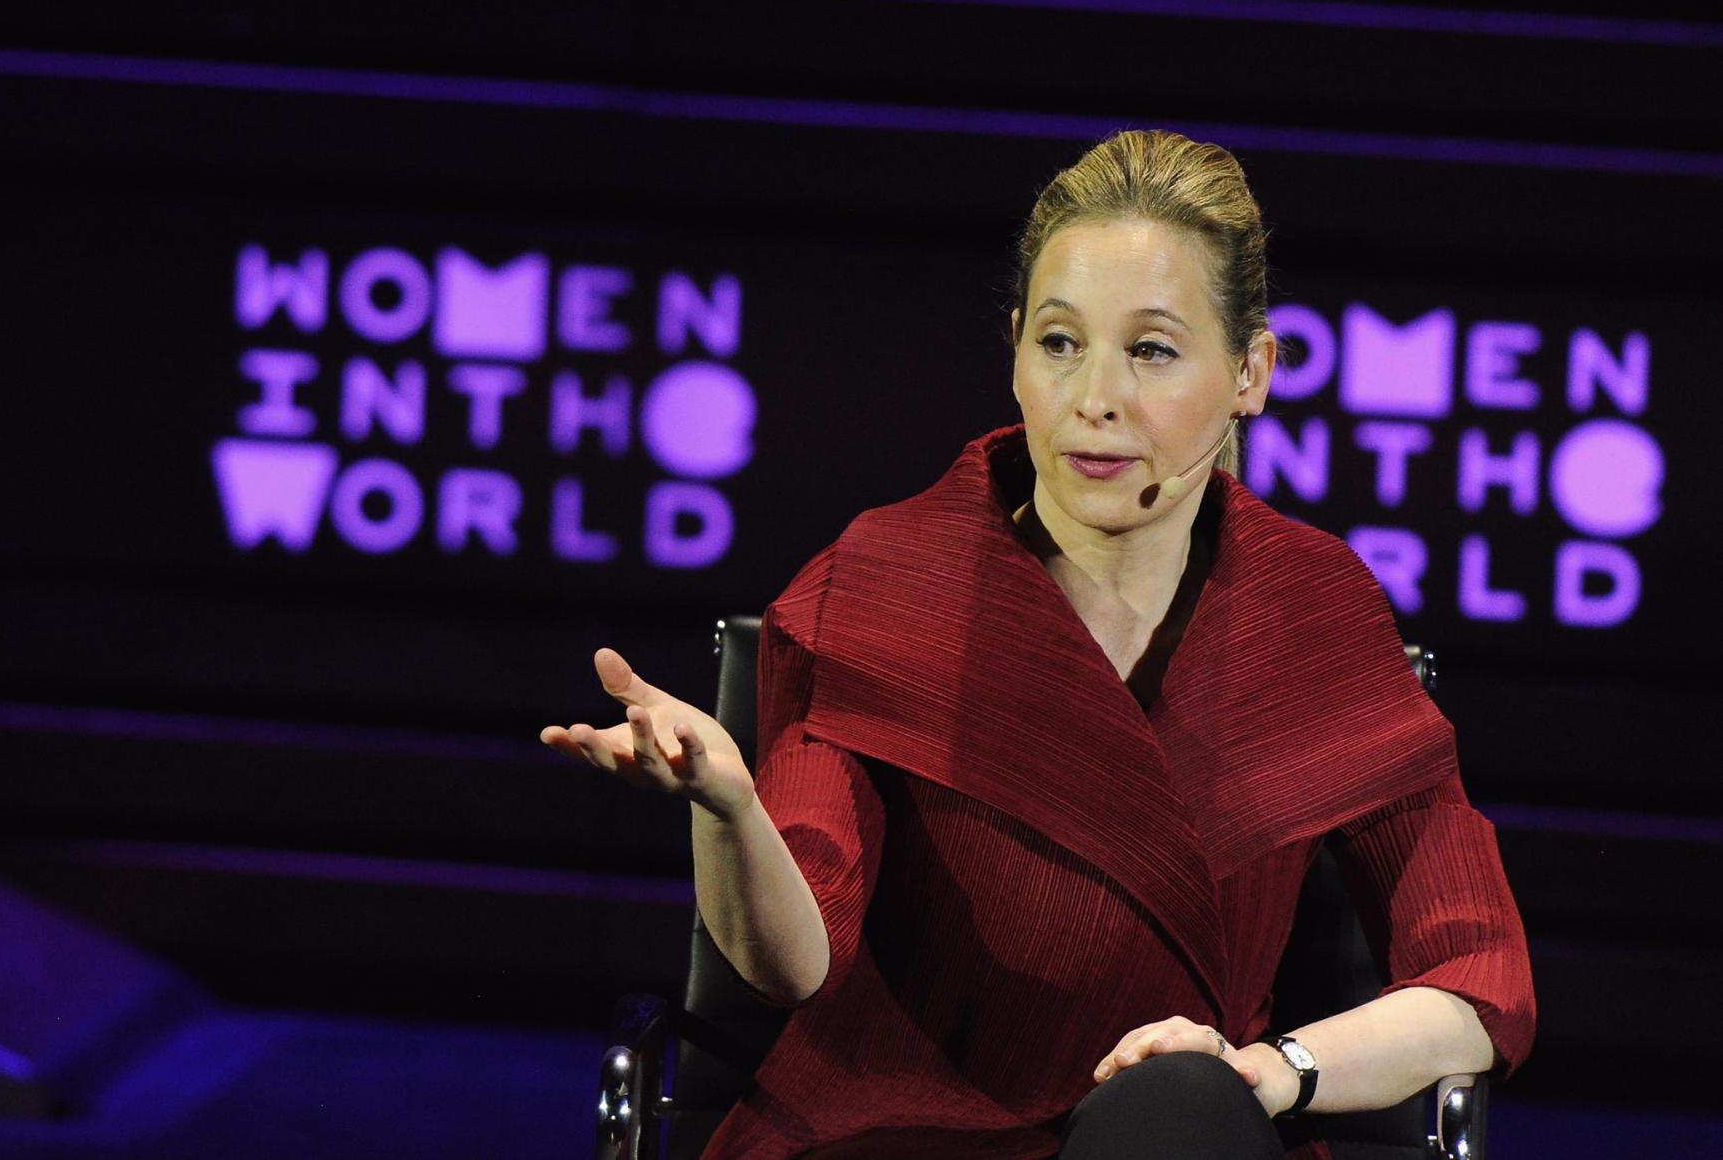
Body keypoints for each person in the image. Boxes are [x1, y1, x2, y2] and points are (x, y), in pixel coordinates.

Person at [541, 130, 1535, 1160]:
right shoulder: (880, 584)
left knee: (1179, 1115)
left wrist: (1273, 1072)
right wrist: (729, 806)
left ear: (1251, 369)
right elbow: (790, 963)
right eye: (1059, 343)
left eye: (1150, 350)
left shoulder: (1316, 613)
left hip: (1170, 1139)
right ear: (1015, 347)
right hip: (888, 1133)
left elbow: (1479, 975)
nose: (1093, 397)